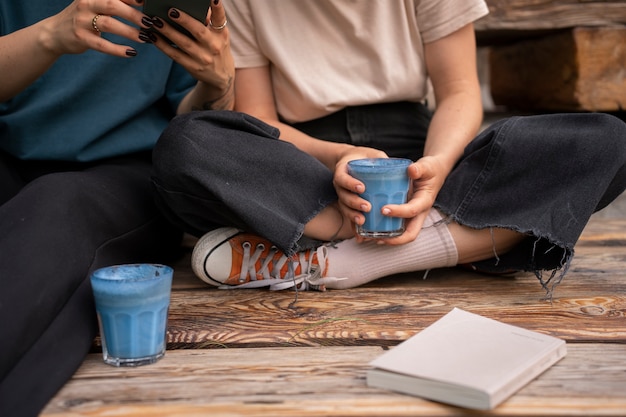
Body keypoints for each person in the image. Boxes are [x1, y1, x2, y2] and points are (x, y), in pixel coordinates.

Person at [152, 1, 626, 295]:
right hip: (307, 162)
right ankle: (450, 238)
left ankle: (332, 261)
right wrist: (337, 157)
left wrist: (437, 164)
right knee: (187, 142)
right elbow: (259, 121)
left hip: (422, 149)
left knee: (605, 141)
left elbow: (460, 92)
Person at [0, 0, 234, 415]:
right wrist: (50, 35)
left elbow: (196, 127)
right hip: (12, 160)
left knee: (56, 209)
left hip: (126, 176)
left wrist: (217, 87)